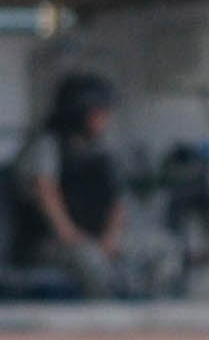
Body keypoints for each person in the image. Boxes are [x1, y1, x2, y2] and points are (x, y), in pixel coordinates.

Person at [9, 73, 128, 299]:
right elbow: (46, 193)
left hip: (95, 238)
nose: (105, 119)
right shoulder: (47, 146)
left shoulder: (100, 152)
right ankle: (107, 316)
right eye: (98, 112)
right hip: (48, 242)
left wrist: (111, 237)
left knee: (156, 252)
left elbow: (116, 201)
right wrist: (72, 236)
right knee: (91, 260)